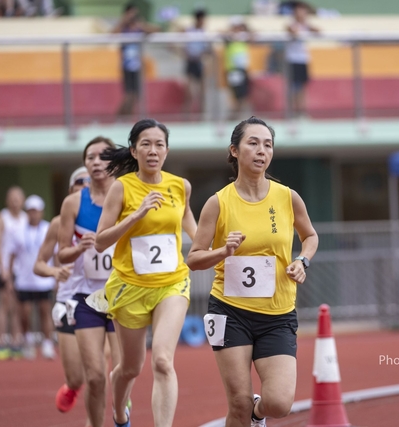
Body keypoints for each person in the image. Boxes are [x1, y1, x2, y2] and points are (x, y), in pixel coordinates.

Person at [187, 116, 319, 426]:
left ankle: (257, 413)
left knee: (279, 403)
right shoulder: (218, 203)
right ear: (234, 150)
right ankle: (247, 410)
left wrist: (302, 261)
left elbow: (310, 236)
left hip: (277, 314)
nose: (262, 150)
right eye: (253, 143)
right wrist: (223, 251)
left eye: (268, 145)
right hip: (230, 311)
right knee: (238, 403)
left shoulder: (287, 197)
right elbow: (193, 259)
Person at [94, 119, 196, 427]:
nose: (153, 150)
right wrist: (136, 216)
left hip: (172, 284)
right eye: (146, 144)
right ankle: (118, 413)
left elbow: (194, 230)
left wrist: (219, 250)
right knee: (130, 368)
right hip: (130, 287)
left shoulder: (180, 186)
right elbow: (100, 241)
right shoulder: (121, 187)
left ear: (167, 150)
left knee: (162, 361)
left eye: (159, 144)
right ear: (134, 150)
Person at [58, 136, 120, 427]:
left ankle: (121, 416)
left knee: (122, 372)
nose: (96, 162)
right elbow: (62, 254)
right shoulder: (73, 203)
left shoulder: (128, 196)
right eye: (90, 157)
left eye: (103, 156)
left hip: (121, 296)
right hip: (86, 297)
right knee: (95, 376)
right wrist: (79, 248)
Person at [33, 166, 88, 412]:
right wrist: (55, 272)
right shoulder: (58, 223)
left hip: (101, 299)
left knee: (100, 370)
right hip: (69, 301)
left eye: (90, 181)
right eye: (80, 182)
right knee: (76, 376)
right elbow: (39, 264)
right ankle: (72, 387)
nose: (85, 186)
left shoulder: (109, 218)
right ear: (70, 190)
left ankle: (120, 399)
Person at [7, 194, 56, 360]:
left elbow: (55, 254)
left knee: (44, 311)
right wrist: (10, 278)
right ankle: (27, 340)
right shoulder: (18, 231)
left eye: (36, 211)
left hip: (44, 279)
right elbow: (12, 255)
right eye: (30, 211)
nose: (33, 214)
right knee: (25, 313)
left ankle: (47, 343)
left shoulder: (48, 229)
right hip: (24, 280)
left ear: (41, 212)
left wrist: (56, 275)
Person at [0, 186, 27, 360]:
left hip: (23, 270)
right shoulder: (1, 217)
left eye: (17, 198)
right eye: (12, 198)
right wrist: (3, 268)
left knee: (18, 307)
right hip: (5, 269)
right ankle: (0, 342)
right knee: (5, 304)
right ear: (7, 200)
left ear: (23, 200)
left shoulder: (26, 218)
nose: (15, 202)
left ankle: (16, 341)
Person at [112, 3, 160, 117]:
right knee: (128, 95)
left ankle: (127, 117)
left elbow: (156, 30)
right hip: (126, 66)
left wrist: (142, 25)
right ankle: (119, 117)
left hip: (137, 66)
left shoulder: (139, 29)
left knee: (136, 96)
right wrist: (124, 21)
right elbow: (112, 34)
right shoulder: (123, 29)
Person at [284, 1, 319, 118]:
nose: (302, 13)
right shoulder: (291, 25)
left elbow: (318, 31)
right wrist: (303, 25)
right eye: (299, 11)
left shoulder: (307, 25)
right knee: (293, 87)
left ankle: (302, 111)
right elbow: (293, 31)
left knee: (303, 87)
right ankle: (292, 111)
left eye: (303, 11)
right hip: (292, 60)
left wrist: (307, 24)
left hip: (303, 60)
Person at [223, 16, 254, 121]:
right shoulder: (229, 39)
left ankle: (237, 117)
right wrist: (233, 34)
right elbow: (223, 34)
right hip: (234, 70)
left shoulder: (243, 38)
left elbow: (254, 35)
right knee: (237, 96)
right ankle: (233, 117)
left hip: (242, 69)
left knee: (243, 96)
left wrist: (245, 30)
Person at [182, 8, 208, 117]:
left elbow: (206, 49)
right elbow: (184, 47)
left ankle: (201, 117)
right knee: (189, 93)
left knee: (202, 92)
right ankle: (187, 117)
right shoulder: (189, 31)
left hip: (200, 62)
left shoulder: (204, 32)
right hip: (190, 62)